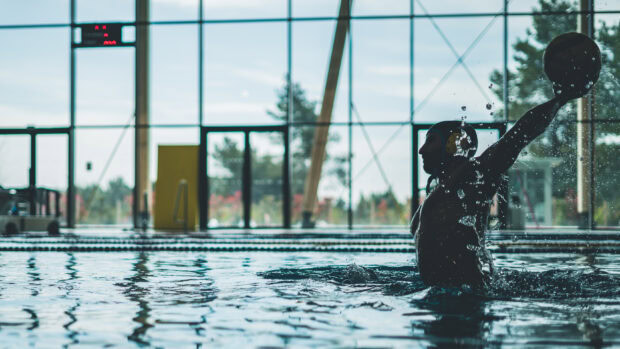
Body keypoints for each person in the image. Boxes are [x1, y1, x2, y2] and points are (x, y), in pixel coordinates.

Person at [410, 94, 572, 287]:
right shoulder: (439, 192)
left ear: (452, 144)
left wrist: (559, 99)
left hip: (467, 302)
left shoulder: (473, 178)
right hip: (440, 299)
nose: (421, 150)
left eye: (431, 141)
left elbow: (519, 135)